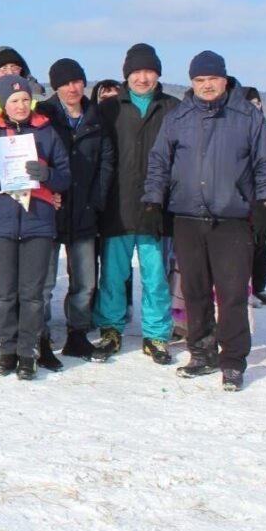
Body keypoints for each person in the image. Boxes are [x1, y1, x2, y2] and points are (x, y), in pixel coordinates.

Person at [146, 51, 266, 392]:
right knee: (195, 291)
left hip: (232, 218)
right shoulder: (179, 116)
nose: (206, 86)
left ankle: (233, 360)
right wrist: (152, 200)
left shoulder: (246, 116)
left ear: (224, 79)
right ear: (192, 82)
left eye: (212, 79)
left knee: (233, 293)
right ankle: (202, 352)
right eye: (199, 80)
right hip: (188, 217)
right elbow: (160, 162)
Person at [0, 75, 71, 380]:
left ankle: (28, 352)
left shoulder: (47, 133)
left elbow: (65, 177)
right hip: (0, 224)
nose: (20, 106)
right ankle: (7, 350)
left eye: (25, 100)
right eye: (14, 101)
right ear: (3, 103)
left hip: (38, 222)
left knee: (32, 294)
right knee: (4, 293)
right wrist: (1, 177)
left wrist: (46, 174)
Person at [92, 42, 179, 363]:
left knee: (156, 275)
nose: (143, 78)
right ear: (126, 75)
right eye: (136, 72)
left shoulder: (173, 108)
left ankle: (156, 334)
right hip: (118, 205)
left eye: (149, 72)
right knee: (114, 275)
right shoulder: (109, 109)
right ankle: (111, 328)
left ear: (158, 74)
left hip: (157, 208)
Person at [35, 58, 114, 362]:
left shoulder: (95, 117)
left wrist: (97, 201)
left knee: (84, 280)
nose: (73, 87)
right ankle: (40, 336)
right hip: (49, 209)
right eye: (66, 83)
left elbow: (106, 163)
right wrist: (46, 194)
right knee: (43, 281)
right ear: (55, 86)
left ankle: (77, 334)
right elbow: (35, 159)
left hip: (84, 209)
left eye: (77, 81)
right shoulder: (45, 115)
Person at [239, 86, 266, 306]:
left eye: (258, 102)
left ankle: (258, 287)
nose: (256, 106)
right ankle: (246, 289)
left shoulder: (262, 128)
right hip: (242, 199)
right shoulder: (239, 126)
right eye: (251, 102)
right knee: (244, 250)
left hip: (262, 197)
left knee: (263, 247)